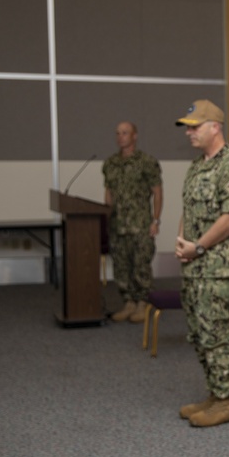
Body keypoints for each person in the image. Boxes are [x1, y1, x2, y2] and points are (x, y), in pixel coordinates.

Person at [173, 99, 229, 428]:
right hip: (196, 264)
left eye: (195, 126)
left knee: (217, 331)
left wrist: (199, 248)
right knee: (199, 331)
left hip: (220, 265)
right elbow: (188, 209)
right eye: (187, 127)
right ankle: (214, 392)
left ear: (215, 127)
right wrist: (181, 242)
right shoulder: (198, 165)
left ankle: (226, 401)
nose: (189, 132)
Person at [102, 121, 163, 323]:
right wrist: (106, 216)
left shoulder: (147, 161)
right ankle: (128, 302)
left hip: (140, 224)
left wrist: (155, 220)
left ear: (134, 136)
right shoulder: (110, 163)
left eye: (125, 133)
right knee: (121, 265)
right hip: (118, 224)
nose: (121, 137)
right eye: (118, 133)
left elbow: (157, 192)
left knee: (140, 265)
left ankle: (143, 304)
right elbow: (108, 193)